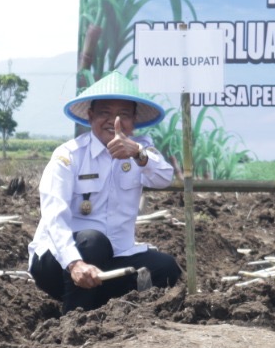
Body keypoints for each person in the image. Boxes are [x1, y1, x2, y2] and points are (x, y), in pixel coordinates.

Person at [28, 72, 180, 313]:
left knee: (166, 268)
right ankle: (75, 318)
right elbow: (53, 218)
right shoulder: (68, 156)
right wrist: (75, 263)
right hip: (60, 261)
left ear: (134, 120)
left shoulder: (140, 150)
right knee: (94, 241)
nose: (115, 121)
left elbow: (164, 177)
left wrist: (138, 154)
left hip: (113, 260)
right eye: (105, 113)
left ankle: (108, 310)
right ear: (90, 116)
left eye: (124, 115)